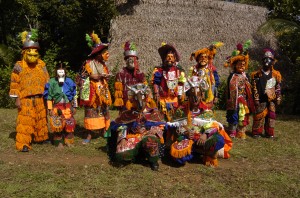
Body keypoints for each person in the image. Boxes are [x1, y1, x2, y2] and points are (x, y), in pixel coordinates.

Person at [108, 83, 166, 171]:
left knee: (151, 141)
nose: (140, 102)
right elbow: (121, 126)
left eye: (142, 98)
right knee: (121, 154)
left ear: (146, 98)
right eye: (136, 99)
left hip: (147, 135)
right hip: (133, 137)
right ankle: (134, 156)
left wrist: (154, 130)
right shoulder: (127, 114)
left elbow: (161, 125)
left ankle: (153, 161)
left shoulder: (153, 112)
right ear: (132, 100)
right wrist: (123, 138)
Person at [9, 29, 49, 152]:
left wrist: (49, 96)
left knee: (41, 119)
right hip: (25, 99)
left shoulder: (41, 65)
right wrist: (16, 99)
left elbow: (47, 81)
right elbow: (14, 84)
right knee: (25, 122)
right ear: (25, 53)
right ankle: (23, 143)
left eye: (35, 54)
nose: (32, 56)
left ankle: (40, 137)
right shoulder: (19, 66)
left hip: (40, 98)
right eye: (30, 54)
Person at [78, 32, 112, 144]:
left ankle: (104, 130)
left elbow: (105, 77)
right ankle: (89, 134)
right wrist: (99, 76)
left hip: (102, 90)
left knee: (104, 110)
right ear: (98, 54)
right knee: (91, 111)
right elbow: (88, 75)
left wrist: (107, 78)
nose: (107, 54)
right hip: (92, 91)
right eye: (104, 52)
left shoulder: (103, 65)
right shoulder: (88, 63)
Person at [224, 40, 254, 139]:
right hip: (234, 100)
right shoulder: (232, 76)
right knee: (233, 114)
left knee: (243, 114)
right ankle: (232, 130)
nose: (242, 66)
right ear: (235, 65)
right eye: (239, 64)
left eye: (243, 64)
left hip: (243, 99)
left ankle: (241, 131)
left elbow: (249, 87)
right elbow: (229, 89)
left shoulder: (246, 76)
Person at [44, 63, 77, 148]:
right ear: (56, 72)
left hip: (67, 106)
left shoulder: (69, 81)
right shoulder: (52, 82)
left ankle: (68, 141)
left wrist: (75, 106)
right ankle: (59, 142)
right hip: (57, 107)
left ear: (65, 72)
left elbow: (74, 95)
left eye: (63, 72)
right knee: (57, 124)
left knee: (69, 124)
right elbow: (49, 97)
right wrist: (50, 108)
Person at [251, 48, 282, 138]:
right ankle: (257, 132)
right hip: (261, 99)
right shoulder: (256, 74)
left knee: (271, 116)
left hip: (271, 99)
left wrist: (278, 97)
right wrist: (256, 98)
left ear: (273, 61)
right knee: (259, 116)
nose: (267, 61)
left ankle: (269, 133)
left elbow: (278, 87)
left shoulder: (276, 74)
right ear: (262, 61)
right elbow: (254, 88)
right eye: (265, 59)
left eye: (269, 59)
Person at [152, 42, 186, 122]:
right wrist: (156, 93)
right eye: (168, 57)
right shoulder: (159, 71)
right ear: (164, 58)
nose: (170, 59)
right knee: (163, 119)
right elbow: (155, 83)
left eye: (171, 57)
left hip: (175, 99)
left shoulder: (178, 71)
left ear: (174, 59)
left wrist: (181, 94)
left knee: (175, 120)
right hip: (163, 99)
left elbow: (181, 83)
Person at [188, 42, 223, 114]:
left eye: (205, 57)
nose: (203, 59)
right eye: (201, 57)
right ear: (198, 59)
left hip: (209, 94)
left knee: (207, 112)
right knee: (197, 111)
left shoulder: (211, 69)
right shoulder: (194, 69)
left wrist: (216, 95)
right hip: (197, 95)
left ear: (208, 59)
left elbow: (215, 83)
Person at [113, 41, 147, 111]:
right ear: (126, 61)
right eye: (129, 59)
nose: (131, 61)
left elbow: (145, 90)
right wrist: (121, 106)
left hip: (139, 105)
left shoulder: (140, 74)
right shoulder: (120, 74)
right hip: (126, 106)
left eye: (133, 60)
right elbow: (118, 93)